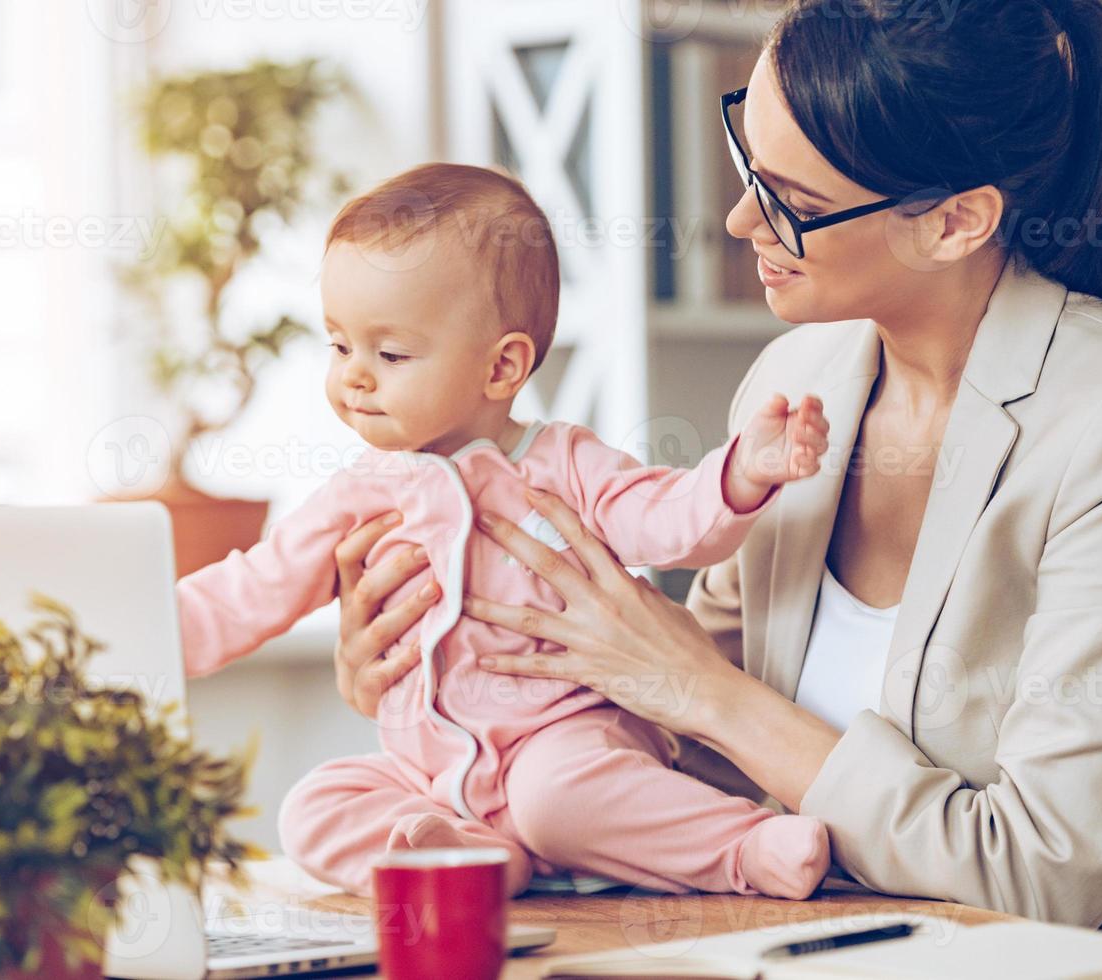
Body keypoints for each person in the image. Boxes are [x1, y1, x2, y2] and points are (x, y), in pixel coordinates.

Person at [328, 0, 1102, 943]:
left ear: (954, 222)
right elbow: (689, 761)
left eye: (798, 203)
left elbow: (1034, 877)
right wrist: (441, 676)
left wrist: (707, 691)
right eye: (749, 162)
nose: (742, 218)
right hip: (814, 942)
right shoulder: (799, 380)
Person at [178, 162, 837, 899]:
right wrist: (134, 634)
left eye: (388, 354)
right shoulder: (358, 495)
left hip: (567, 740)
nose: (354, 377)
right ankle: (477, 859)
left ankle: (744, 850)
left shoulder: (565, 463)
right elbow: (250, 589)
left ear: (502, 366)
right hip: (432, 775)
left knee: (559, 799)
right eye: (338, 346)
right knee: (312, 809)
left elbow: (673, 525)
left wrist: (743, 471)